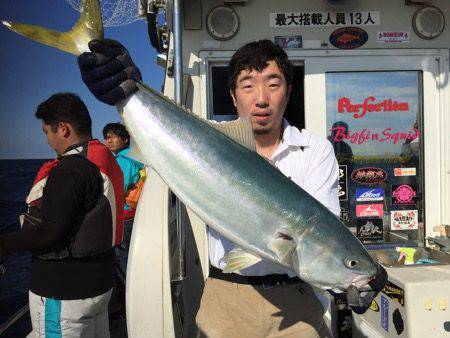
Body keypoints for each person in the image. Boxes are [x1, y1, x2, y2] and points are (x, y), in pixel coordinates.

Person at [77, 39, 339, 337]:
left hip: (298, 300)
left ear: (289, 92)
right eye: (248, 85)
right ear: (233, 95)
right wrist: (126, 89)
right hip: (226, 294)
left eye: (273, 84)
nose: (261, 98)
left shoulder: (315, 150)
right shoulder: (203, 144)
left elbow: (322, 236)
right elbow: (162, 136)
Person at [0, 93, 124, 337]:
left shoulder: (69, 170)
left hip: (65, 296)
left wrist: (4, 243)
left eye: (47, 132)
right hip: (99, 287)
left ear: (64, 129)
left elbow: (50, 232)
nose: (47, 141)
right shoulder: (103, 160)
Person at [103, 122, 144, 278]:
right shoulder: (136, 157)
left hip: (125, 215)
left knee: (122, 257)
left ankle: (127, 295)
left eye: (113, 136)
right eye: (107, 138)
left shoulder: (123, 159)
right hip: (134, 212)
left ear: (125, 139)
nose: (109, 141)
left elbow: (118, 187)